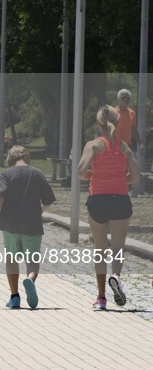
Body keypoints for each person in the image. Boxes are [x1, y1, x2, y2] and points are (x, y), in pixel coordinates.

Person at [77, 105, 140, 310]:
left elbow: (80, 170)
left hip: (98, 200)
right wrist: (119, 179)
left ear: (99, 123)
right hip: (120, 199)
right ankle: (117, 276)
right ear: (119, 122)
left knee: (100, 249)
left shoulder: (94, 145)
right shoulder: (124, 148)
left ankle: (101, 298)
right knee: (118, 248)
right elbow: (136, 177)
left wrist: (93, 176)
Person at [0, 145, 55, 310]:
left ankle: (14, 297)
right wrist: (38, 212)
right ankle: (31, 279)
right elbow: (48, 200)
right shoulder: (37, 173)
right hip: (32, 224)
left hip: (10, 224)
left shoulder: (6, 174)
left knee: (11, 258)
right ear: (26, 157)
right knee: (32, 259)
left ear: (10, 159)